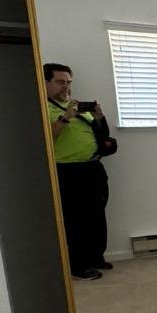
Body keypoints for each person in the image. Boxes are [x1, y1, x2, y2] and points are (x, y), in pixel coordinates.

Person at [43, 63, 111, 280]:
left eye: (68, 82)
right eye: (60, 82)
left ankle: (95, 258)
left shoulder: (78, 106)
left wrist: (99, 117)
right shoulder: (44, 107)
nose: (66, 86)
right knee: (74, 220)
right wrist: (66, 116)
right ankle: (78, 266)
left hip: (91, 168)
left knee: (96, 215)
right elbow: (48, 137)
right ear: (46, 82)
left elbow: (101, 135)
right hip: (67, 172)